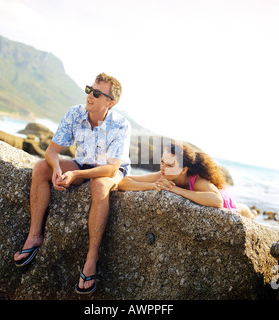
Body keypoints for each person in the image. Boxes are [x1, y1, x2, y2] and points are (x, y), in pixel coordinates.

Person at [14, 72, 131, 294]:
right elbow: (52, 151)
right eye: (90, 90)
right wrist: (57, 169)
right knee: (41, 168)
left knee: (99, 185)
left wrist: (76, 177)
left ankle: (91, 258)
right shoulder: (74, 113)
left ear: (110, 102)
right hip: (82, 163)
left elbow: (111, 168)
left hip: (110, 169)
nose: (90, 96)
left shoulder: (121, 125)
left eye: (97, 93)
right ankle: (35, 236)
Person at [118, 142, 257, 220]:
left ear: (184, 169)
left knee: (242, 209)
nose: (163, 167)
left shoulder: (196, 180)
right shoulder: (164, 174)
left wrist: (175, 189)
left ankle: (253, 214)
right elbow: (124, 182)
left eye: (169, 165)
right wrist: (153, 185)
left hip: (226, 201)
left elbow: (217, 201)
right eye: (162, 162)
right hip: (208, 195)